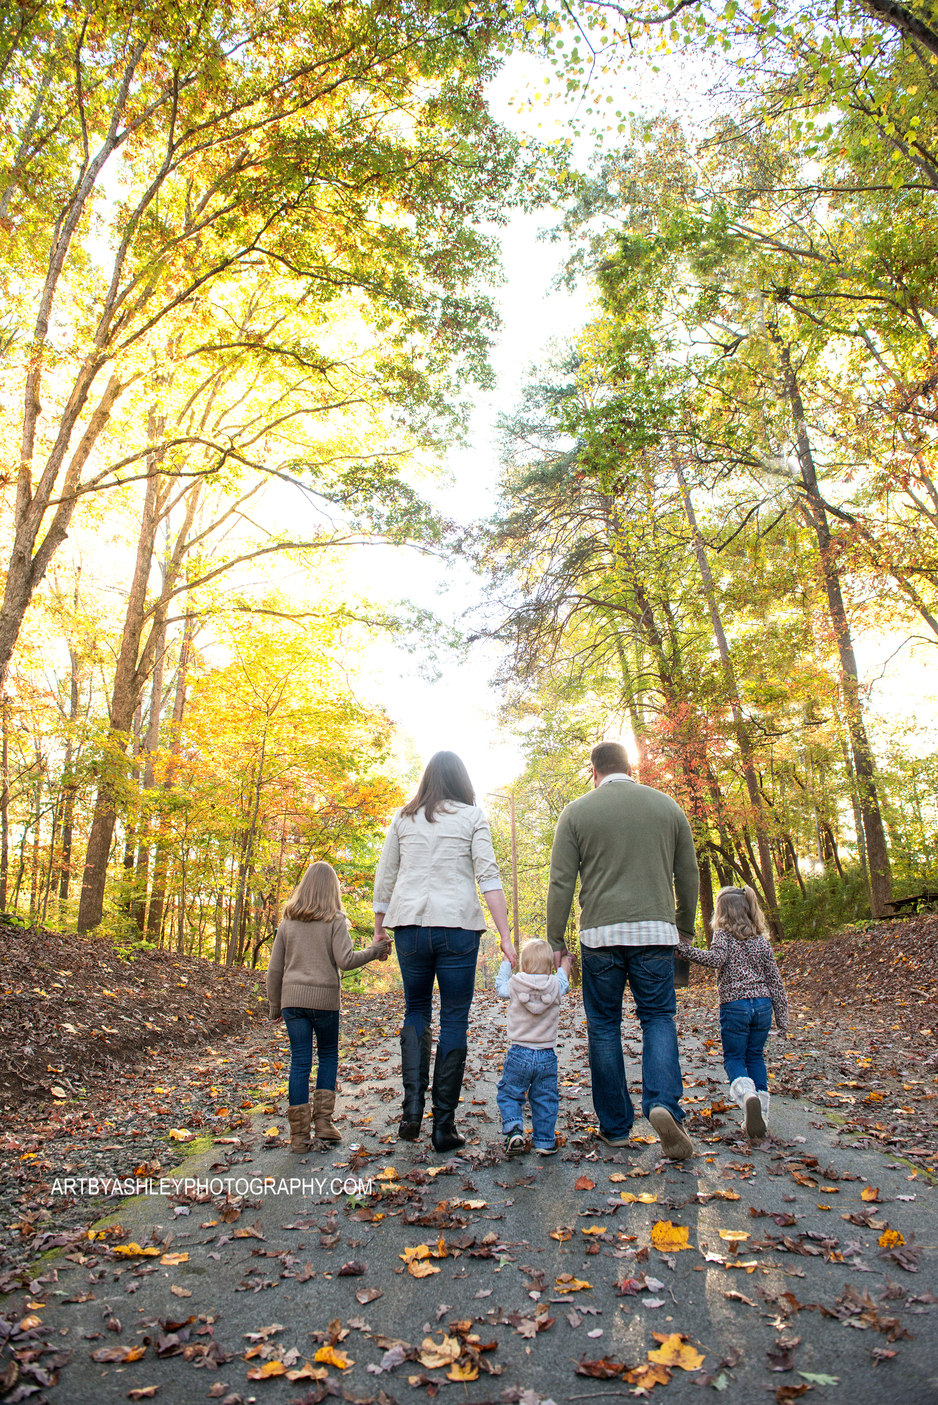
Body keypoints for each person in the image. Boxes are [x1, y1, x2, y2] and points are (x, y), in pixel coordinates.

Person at [546, 740, 699, 1160]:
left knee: (604, 1026)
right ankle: (664, 1104)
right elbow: (688, 873)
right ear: (629, 767)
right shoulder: (667, 807)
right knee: (657, 1018)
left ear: (594, 770)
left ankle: (615, 1127)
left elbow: (561, 882)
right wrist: (683, 929)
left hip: (600, 937)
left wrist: (555, 942)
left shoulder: (576, 812)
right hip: (656, 933)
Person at [373, 750, 514, 1152]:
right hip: (457, 927)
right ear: (461, 780)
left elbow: (387, 876)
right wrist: (504, 935)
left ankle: (412, 1110)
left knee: (415, 1010)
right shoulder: (472, 816)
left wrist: (381, 929)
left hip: (410, 927)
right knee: (454, 1018)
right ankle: (443, 1127)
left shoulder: (403, 817)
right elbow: (488, 874)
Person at [267, 861, 391, 1153]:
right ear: (332, 889)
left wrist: (275, 1005)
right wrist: (375, 951)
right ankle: (323, 1123)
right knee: (327, 1056)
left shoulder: (287, 921)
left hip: (292, 1002)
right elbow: (346, 960)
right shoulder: (335, 919)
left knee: (299, 1063)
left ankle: (298, 1137)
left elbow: (274, 970)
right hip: (324, 1001)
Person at [677, 884, 789, 1140]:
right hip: (763, 1006)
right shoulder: (761, 942)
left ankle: (746, 1095)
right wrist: (782, 1015)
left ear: (721, 913)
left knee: (734, 1058)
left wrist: (683, 949)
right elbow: (775, 980)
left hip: (734, 1005)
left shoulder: (723, 937)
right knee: (755, 1057)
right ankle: (760, 1114)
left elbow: (715, 960)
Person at [495, 938, 573, 1156]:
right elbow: (564, 980)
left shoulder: (515, 983)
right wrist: (565, 962)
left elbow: (499, 987)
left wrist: (505, 962)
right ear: (549, 966)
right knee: (545, 1098)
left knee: (510, 1094)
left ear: (523, 965)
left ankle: (514, 1130)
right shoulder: (555, 985)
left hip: (519, 1052)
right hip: (547, 1055)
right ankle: (545, 1141)